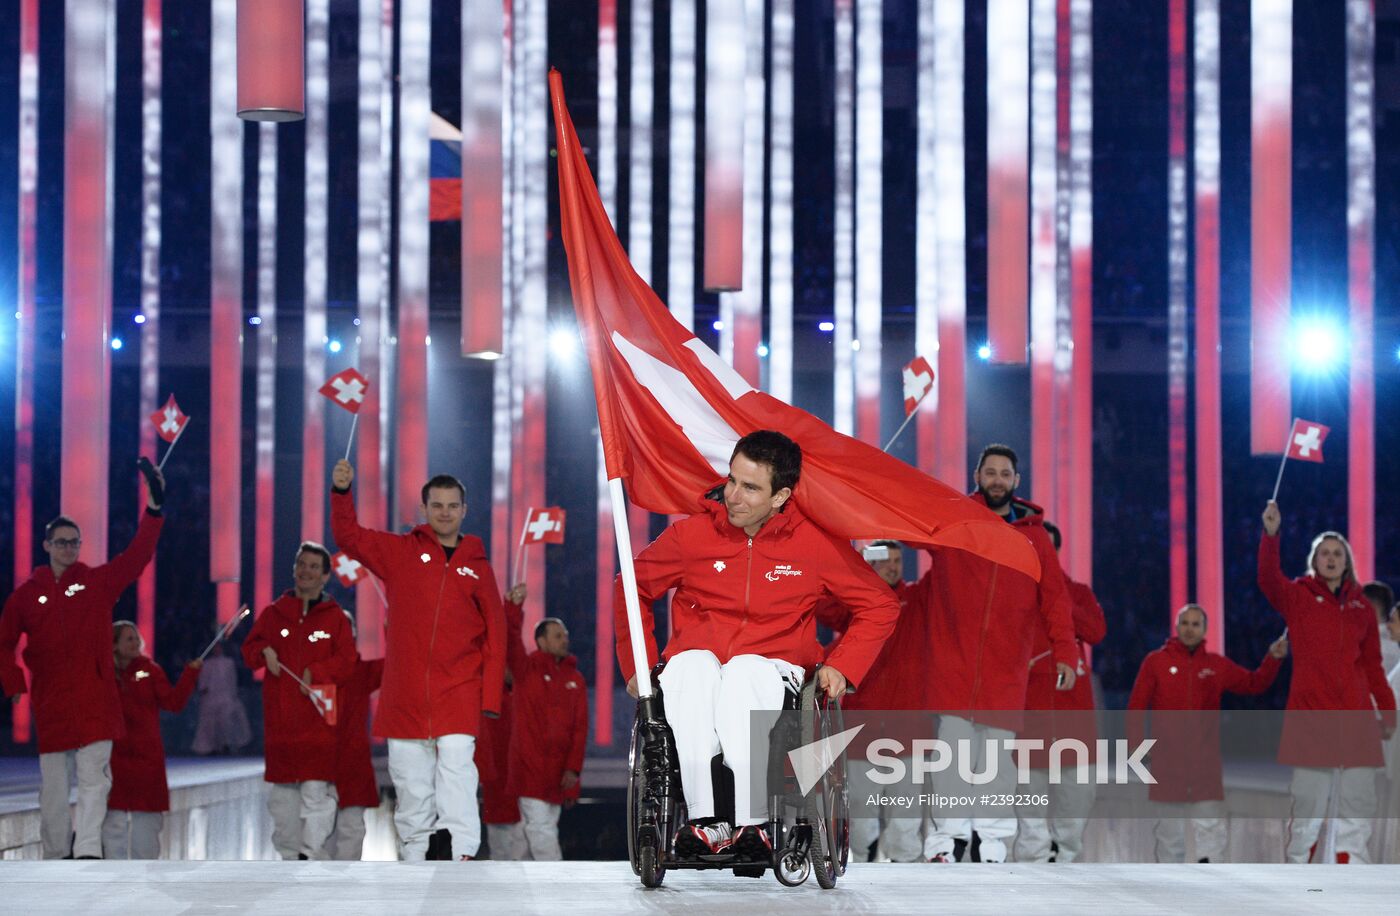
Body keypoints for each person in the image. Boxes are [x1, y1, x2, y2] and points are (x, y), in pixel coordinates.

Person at [616, 430, 898, 858]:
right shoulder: (690, 537)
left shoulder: (814, 544)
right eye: (731, 480)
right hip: (700, 669)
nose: (733, 496)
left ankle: (754, 823)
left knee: (744, 670)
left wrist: (842, 665)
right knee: (690, 667)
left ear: (781, 495)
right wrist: (636, 662)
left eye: (750, 487)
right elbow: (629, 588)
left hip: (772, 670)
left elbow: (880, 604)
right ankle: (706, 822)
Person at [330, 460, 507, 861]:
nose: (445, 512)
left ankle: (463, 852)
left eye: (452, 505)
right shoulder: (400, 552)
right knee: (410, 781)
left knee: (458, 773)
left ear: (464, 510)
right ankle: (413, 853)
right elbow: (348, 536)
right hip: (406, 692)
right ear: (424, 509)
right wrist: (341, 493)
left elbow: (496, 633)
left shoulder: (478, 567)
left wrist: (490, 698)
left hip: (459, 689)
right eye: (437, 504)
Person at [921, 444, 1078, 864]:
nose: (996, 480)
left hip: (1006, 669)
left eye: (1004, 474)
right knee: (950, 759)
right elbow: (910, 526)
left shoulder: (1034, 537)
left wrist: (1066, 652)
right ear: (977, 475)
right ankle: (947, 843)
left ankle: (992, 843)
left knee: (997, 764)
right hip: (955, 664)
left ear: (1016, 482)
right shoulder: (957, 520)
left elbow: (1055, 600)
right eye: (989, 472)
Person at [0, 464, 166, 859]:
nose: (68, 548)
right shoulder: (26, 596)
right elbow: (4, 641)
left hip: (96, 702)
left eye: (74, 542)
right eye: (61, 542)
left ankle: (89, 851)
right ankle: (57, 854)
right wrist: (15, 684)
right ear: (46, 545)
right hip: (54, 703)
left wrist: (155, 509)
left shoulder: (96, 584)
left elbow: (138, 556)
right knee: (54, 789)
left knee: (95, 781)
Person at [1258, 500, 1395, 864]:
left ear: (1347, 561)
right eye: (1324, 554)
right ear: (1314, 561)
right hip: (1312, 718)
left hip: (1355, 721)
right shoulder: (1299, 597)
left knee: (1357, 813)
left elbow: (1373, 667)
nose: (1331, 559)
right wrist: (1271, 535)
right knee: (1308, 812)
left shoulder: (1362, 609)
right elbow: (1268, 580)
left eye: (1337, 554)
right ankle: (1300, 884)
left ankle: (1351, 888)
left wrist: (1389, 713)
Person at [1126, 604, 1287, 863]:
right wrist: (1137, 750)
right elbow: (1135, 707)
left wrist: (1273, 659)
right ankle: (1171, 891)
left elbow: (1254, 683)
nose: (1190, 629)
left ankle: (1210, 892)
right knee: (1170, 838)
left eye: (1196, 624)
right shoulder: (1155, 662)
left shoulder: (1216, 665)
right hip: (1167, 767)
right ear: (1177, 627)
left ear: (1205, 630)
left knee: (1211, 837)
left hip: (1205, 768)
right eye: (1185, 623)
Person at [815, 539, 932, 863]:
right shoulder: (856, 606)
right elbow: (821, 604)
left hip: (908, 731)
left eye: (897, 560)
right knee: (860, 819)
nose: (893, 566)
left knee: (905, 819)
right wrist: (853, 566)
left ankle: (908, 882)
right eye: (884, 560)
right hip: (861, 731)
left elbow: (948, 580)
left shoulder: (918, 600)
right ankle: (859, 871)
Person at [242, 542, 357, 860]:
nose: (305, 571)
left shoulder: (335, 619)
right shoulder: (272, 614)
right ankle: (290, 859)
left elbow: (347, 662)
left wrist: (316, 672)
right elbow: (249, 654)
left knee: (316, 794)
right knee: (283, 800)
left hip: (319, 726)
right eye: (301, 565)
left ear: (324, 576)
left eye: (313, 567)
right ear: (294, 569)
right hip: (281, 727)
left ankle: (310, 853)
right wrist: (262, 651)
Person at [1014, 521, 1107, 864]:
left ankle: (1067, 859)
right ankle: (1031, 869)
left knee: (1077, 799)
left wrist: (1058, 595)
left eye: (1048, 550)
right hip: (1030, 720)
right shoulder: (1015, 598)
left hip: (1073, 721)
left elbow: (1096, 631)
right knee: (1030, 809)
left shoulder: (1077, 591)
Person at [102, 621, 201, 859]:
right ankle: (113, 878)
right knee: (113, 823)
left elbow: (173, 703)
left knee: (146, 826)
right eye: (129, 639)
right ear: (114, 645)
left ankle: (143, 878)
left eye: (136, 638)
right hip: (114, 758)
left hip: (146, 759)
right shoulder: (104, 673)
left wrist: (190, 674)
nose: (136, 643)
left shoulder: (150, 669)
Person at [507, 617, 588, 860]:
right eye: (558, 636)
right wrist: (513, 609)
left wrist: (573, 770)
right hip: (530, 769)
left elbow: (579, 729)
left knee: (527, 832)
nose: (565, 640)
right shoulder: (526, 670)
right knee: (541, 829)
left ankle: (511, 881)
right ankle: (557, 881)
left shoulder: (576, 679)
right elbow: (510, 642)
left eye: (565, 635)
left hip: (558, 774)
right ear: (541, 641)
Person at [478, 583, 530, 860]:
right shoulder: (487, 693)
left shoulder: (523, 685)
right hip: (494, 771)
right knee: (499, 838)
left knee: (528, 837)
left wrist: (512, 609)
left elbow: (511, 641)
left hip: (520, 776)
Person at [323, 648, 385, 861]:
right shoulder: (309, 671)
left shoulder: (361, 671)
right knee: (322, 831)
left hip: (349, 763)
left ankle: (338, 885)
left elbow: (394, 664)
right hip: (326, 764)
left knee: (346, 830)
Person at [190, 641, 251, 755]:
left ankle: (226, 744)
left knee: (226, 722)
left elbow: (232, 680)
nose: (216, 649)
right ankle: (210, 747)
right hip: (211, 697)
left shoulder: (229, 663)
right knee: (210, 723)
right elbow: (203, 681)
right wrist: (203, 690)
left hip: (226, 696)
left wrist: (233, 696)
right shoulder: (207, 664)